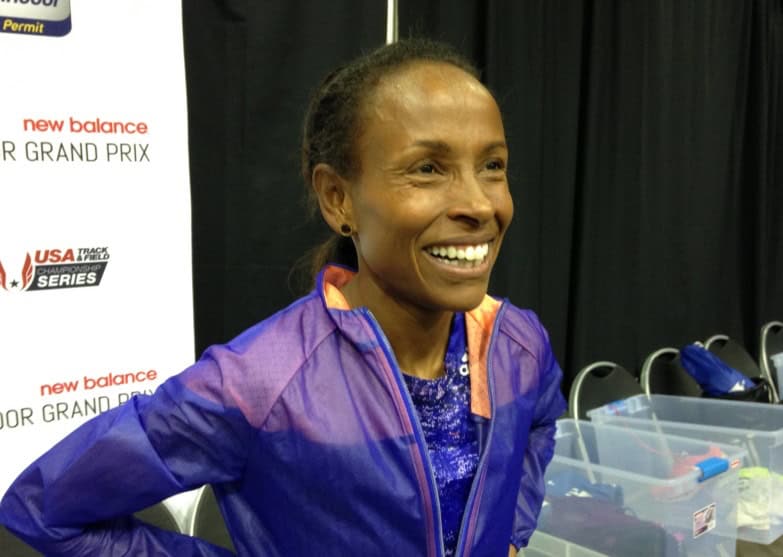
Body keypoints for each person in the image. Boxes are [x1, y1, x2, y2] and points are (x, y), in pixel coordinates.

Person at [0, 38, 566, 557]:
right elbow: (43, 508)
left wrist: (509, 534)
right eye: (427, 168)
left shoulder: (518, 345)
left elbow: (541, 420)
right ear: (338, 198)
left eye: (492, 165)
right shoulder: (260, 383)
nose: (479, 203)